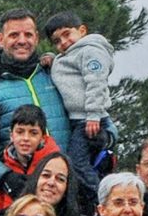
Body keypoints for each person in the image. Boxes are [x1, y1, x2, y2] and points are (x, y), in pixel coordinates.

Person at [0, 8, 74, 216]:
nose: (22, 41)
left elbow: (89, 107)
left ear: (37, 38)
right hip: (18, 198)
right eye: (14, 35)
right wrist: (4, 177)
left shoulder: (56, 73)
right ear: (0, 39)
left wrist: (108, 135)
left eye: (28, 35)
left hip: (66, 194)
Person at [43, 11, 115, 170]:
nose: (63, 42)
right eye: (57, 41)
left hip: (89, 120)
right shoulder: (69, 55)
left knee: (76, 165)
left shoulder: (91, 51)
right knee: (85, 163)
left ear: (82, 31)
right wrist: (52, 59)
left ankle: (96, 193)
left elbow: (96, 83)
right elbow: (69, 71)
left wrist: (94, 115)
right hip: (78, 119)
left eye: (67, 34)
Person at [0, 105, 54, 216]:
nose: (26, 138)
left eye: (33, 133)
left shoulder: (54, 165)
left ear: (42, 137)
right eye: (20, 132)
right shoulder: (3, 167)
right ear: (11, 135)